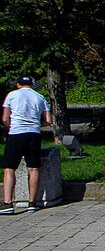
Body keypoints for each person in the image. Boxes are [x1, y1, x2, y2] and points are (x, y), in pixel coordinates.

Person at [2, 76, 52, 214]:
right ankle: (32, 202)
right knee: (34, 168)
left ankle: (8, 203)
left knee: (9, 168)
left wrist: (9, 127)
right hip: (34, 134)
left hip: (16, 133)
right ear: (31, 84)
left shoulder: (12, 95)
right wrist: (36, 124)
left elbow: (5, 118)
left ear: (18, 84)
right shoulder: (40, 97)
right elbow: (48, 120)